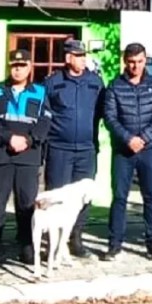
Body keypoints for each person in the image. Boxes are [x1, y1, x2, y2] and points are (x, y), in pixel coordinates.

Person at [0, 49, 51, 268]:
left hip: (28, 157)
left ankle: (27, 248)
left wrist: (28, 140)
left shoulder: (40, 91)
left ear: (29, 67)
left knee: (27, 205)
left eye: (22, 65)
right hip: (2, 155)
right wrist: (9, 138)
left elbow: (45, 122)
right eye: (14, 65)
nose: (18, 69)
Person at [102, 42, 152, 261]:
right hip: (123, 151)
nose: (135, 66)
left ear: (144, 60)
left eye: (139, 62)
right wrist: (128, 138)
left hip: (149, 150)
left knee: (151, 196)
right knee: (119, 197)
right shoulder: (114, 86)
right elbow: (110, 117)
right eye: (131, 62)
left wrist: (145, 137)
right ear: (125, 61)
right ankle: (114, 244)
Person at [43, 39, 104, 259]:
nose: (83, 59)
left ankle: (75, 238)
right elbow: (44, 113)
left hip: (87, 149)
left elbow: (103, 111)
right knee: (57, 194)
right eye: (78, 56)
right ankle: (54, 241)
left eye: (84, 55)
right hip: (59, 148)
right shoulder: (53, 82)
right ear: (68, 58)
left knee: (82, 197)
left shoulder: (95, 81)